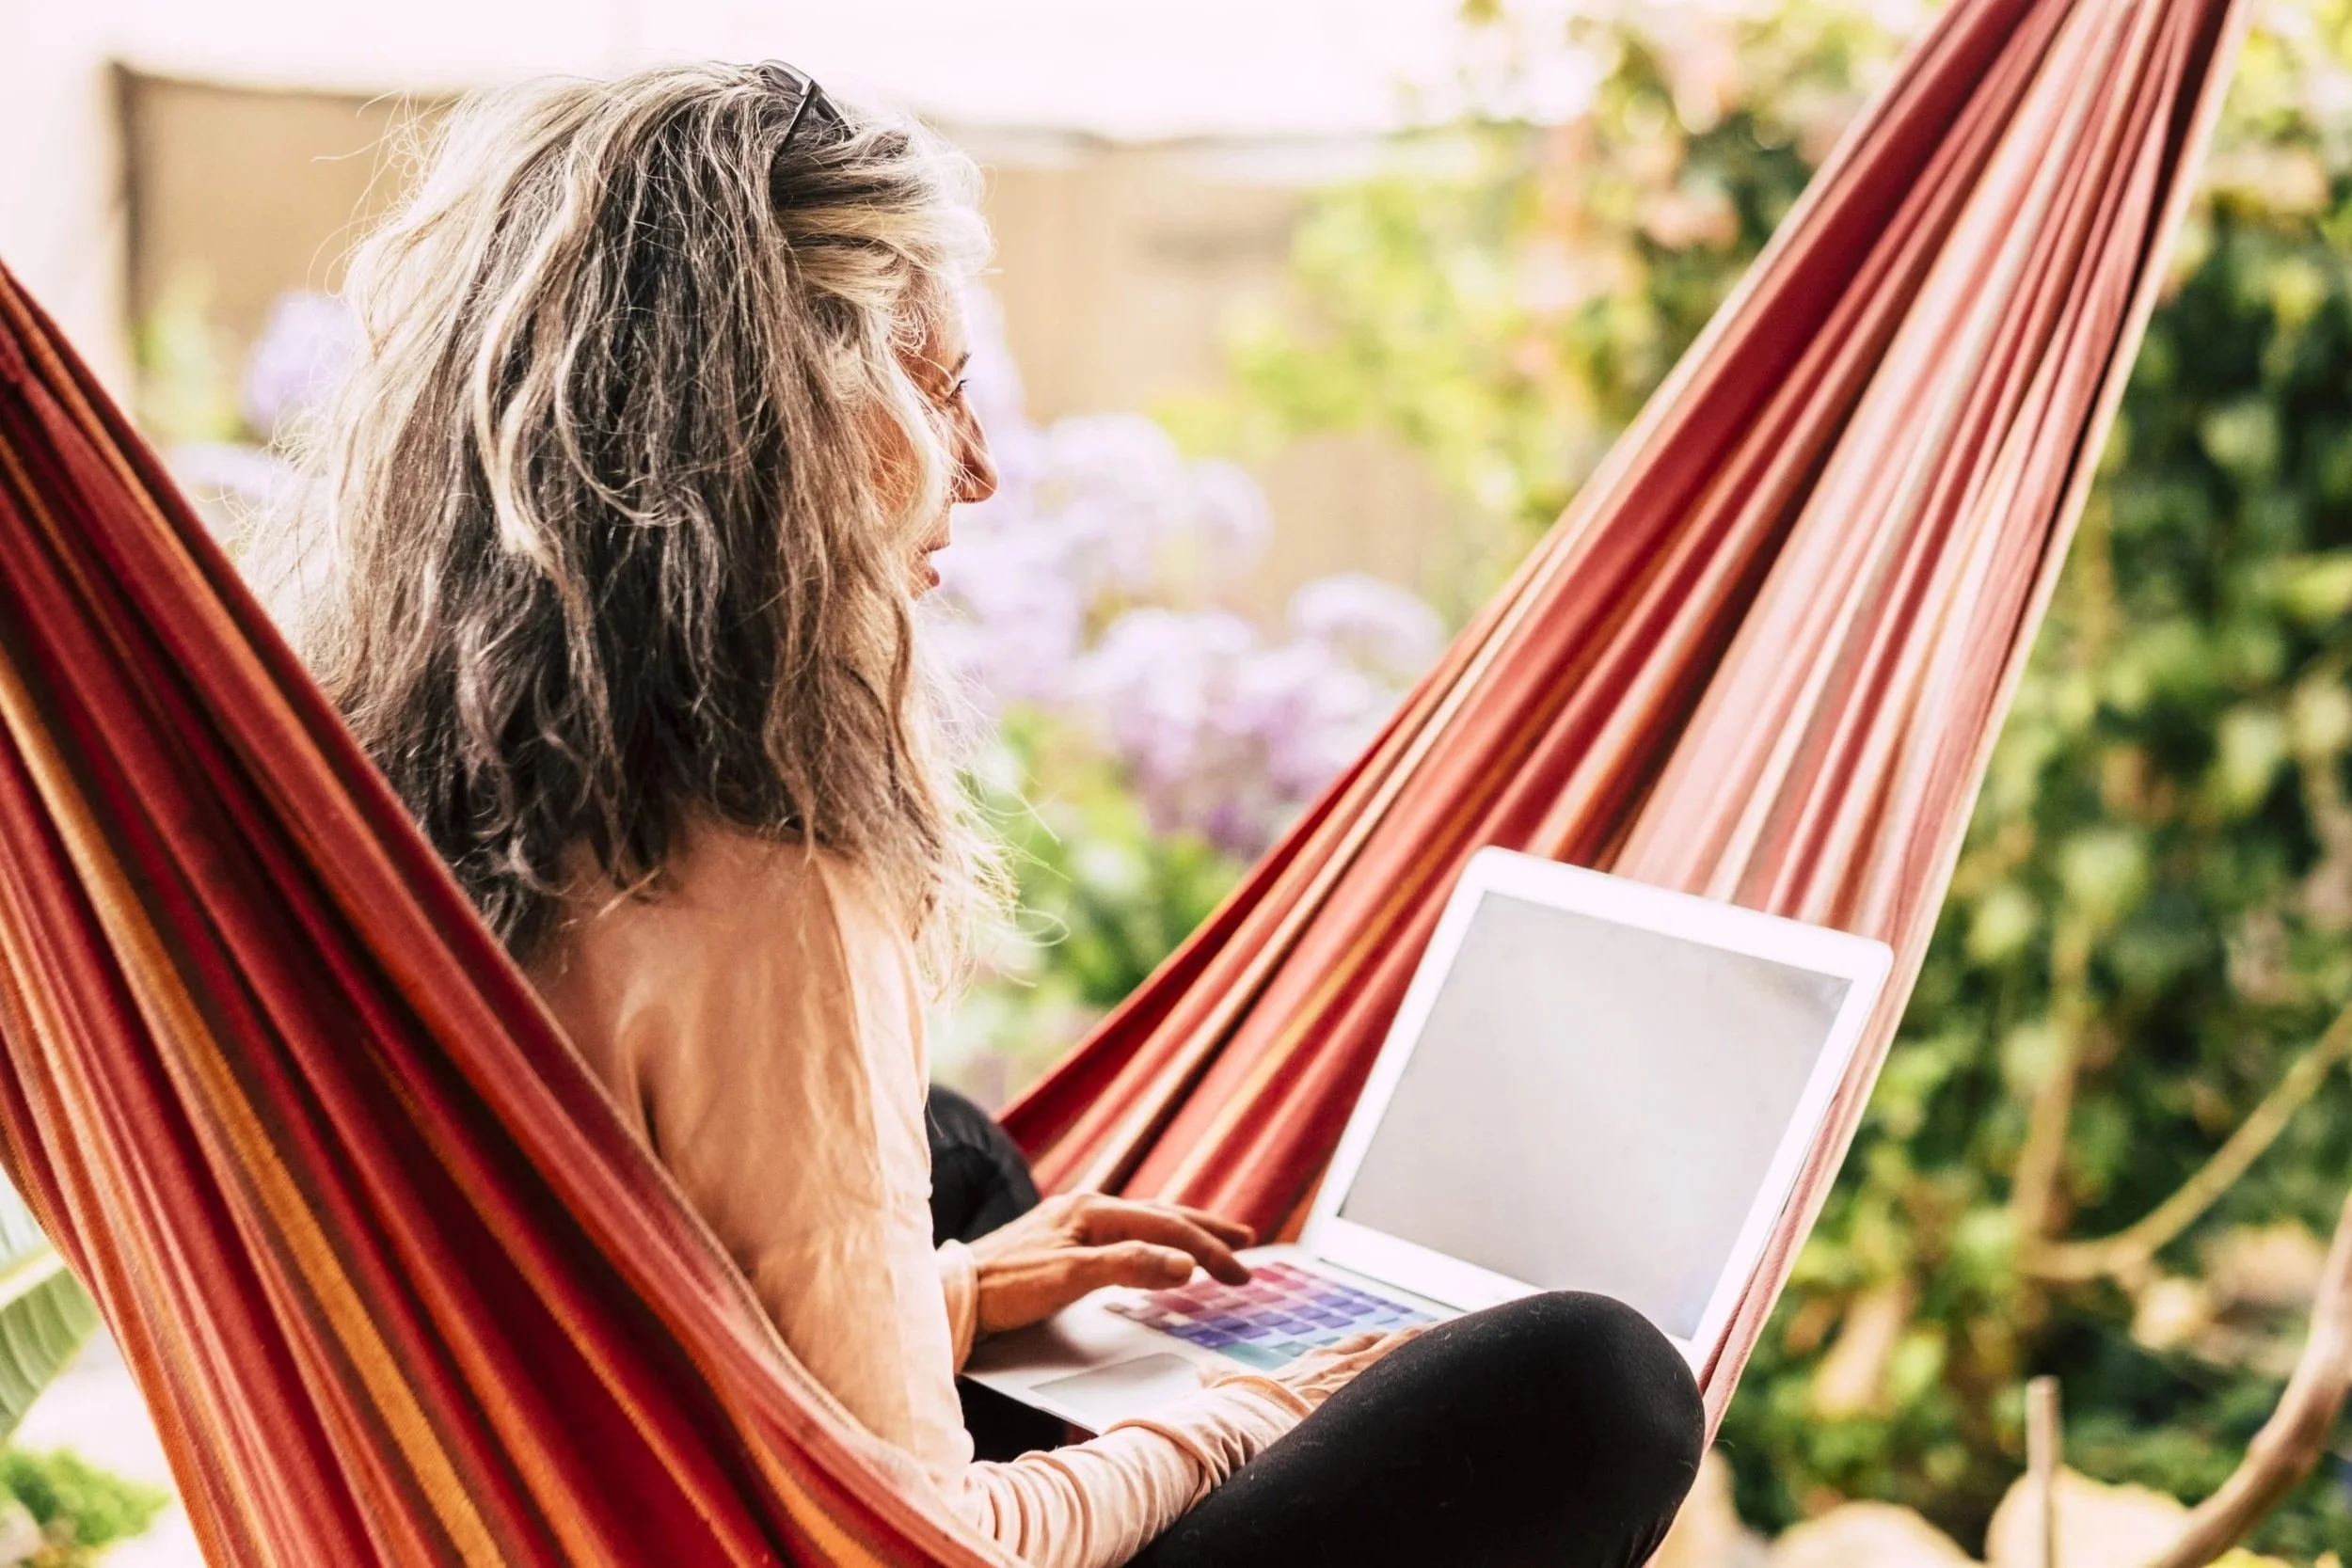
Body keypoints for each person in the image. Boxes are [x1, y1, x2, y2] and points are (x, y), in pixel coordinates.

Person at [261, 60, 1703, 1568]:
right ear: (780, 409)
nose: (983, 469)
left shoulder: (391, 788)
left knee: (959, 1163)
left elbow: (598, 1340)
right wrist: (1235, 1421)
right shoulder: (760, 882)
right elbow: (914, 1549)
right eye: (934, 384)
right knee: (1592, 1385)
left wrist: (945, 1297)